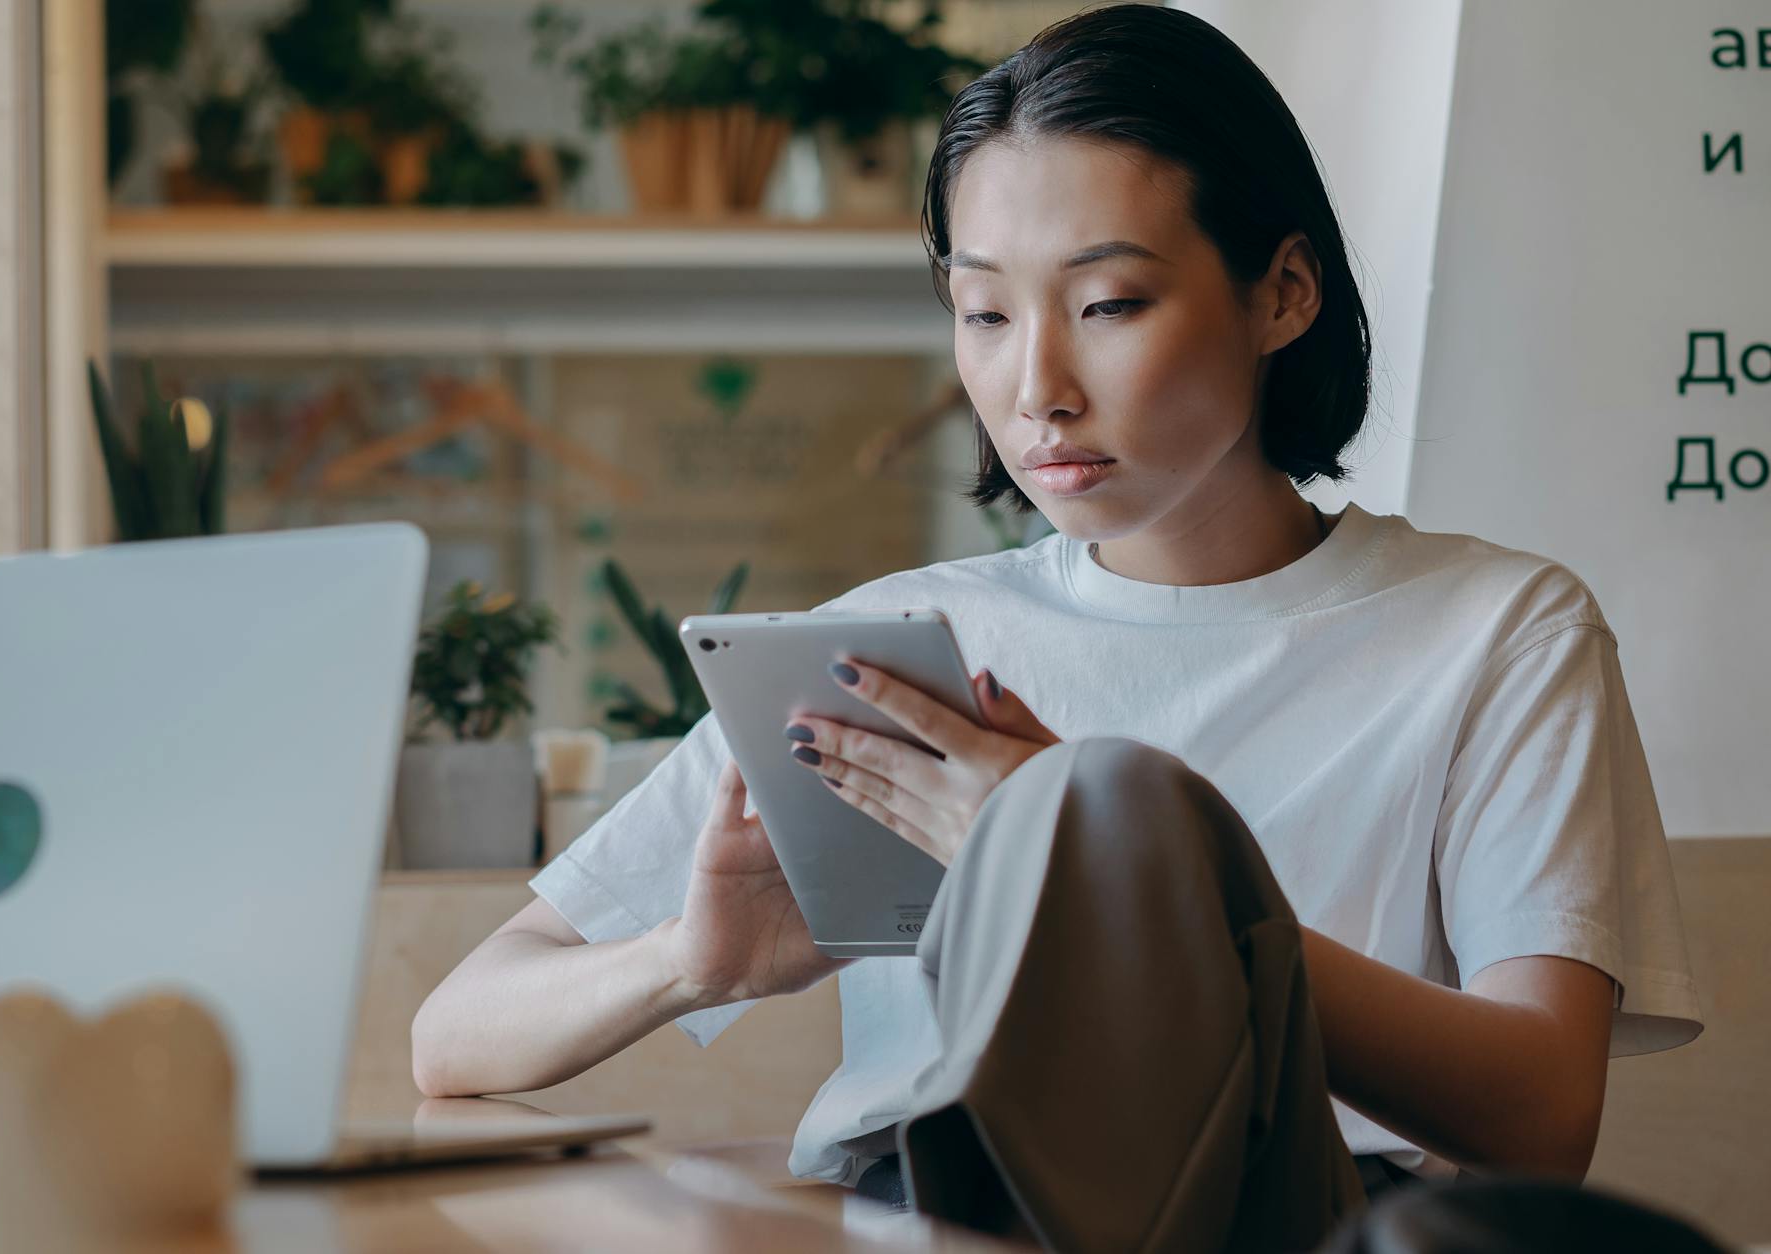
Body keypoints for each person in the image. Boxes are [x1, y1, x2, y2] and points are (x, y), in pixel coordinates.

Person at [412, 6, 1703, 1249]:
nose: (1036, 388)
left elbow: (1539, 1117)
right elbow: (456, 1034)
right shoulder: (895, 647)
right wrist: (689, 963)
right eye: (984, 312)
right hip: (907, 1210)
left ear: (1284, 293)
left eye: (1110, 304)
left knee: (1120, 809)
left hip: (1294, 1215)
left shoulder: (1494, 628)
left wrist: (1095, 868)